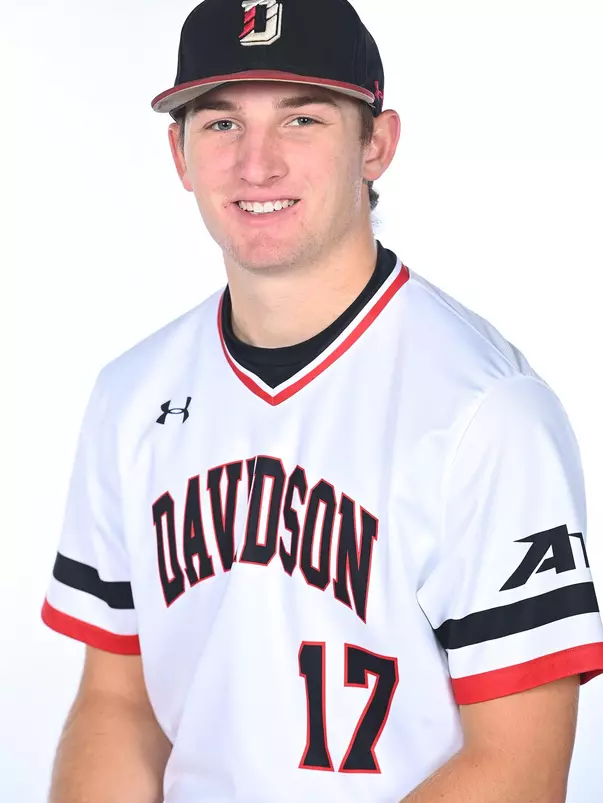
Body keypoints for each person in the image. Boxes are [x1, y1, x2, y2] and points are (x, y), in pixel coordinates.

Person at [42, 0, 603, 801]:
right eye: (222, 124)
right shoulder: (131, 396)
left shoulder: (487, 412)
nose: (256, 165)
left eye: (300, 120)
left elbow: (517, 768)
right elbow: (119, 704)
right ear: (179, 153)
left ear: (375, 145)